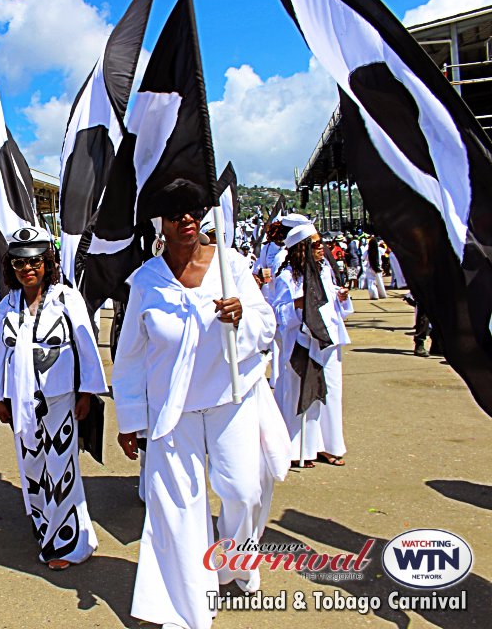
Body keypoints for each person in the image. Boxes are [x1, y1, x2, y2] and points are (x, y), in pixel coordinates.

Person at [112, 205, 290, 629]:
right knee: (177, 508)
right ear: (161, 224)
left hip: (233, 397)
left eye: (193, 211)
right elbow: (131, 354)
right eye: (175, 214)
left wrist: (242, 315)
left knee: (243, 490)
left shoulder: (232, 266)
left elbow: (267, 324)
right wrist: (130, 419)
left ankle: (233, 560)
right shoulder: (146, 281)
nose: (186, 219)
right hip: (173, 411)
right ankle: (186, 604)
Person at [0, 226, 107, 571]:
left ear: (48, 263)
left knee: (61, 467)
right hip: (21, 401)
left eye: (36, 262)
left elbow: (85, 348)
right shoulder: (7, 304)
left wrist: (86, 392)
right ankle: (45, 528)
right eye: (20, 263)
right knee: (32, 468)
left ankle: (69, 543)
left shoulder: (65, 298)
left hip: (59, 399)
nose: (28, 269)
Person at [272, 217, 351, 468]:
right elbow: (279, 314)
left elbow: (334, 307)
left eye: (321, 243)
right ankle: (299, 449)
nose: (321, 248)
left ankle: (329, 446)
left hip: (328, 341)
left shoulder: (325, 271)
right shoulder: (287, 277)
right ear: (302, 247)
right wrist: (299, 304)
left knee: (330, 394)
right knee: (300, 395)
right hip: (302, 344)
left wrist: (341, 298)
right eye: (315, 244)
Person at [362, 235, 387, 300]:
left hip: (369, 267)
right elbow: (386, 252)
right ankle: (382, 294)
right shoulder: (379, 249)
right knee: (380, 282)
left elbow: (363, 258)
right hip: (378, 268)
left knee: (371, 282)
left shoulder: (367, 251)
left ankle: (374, 295)